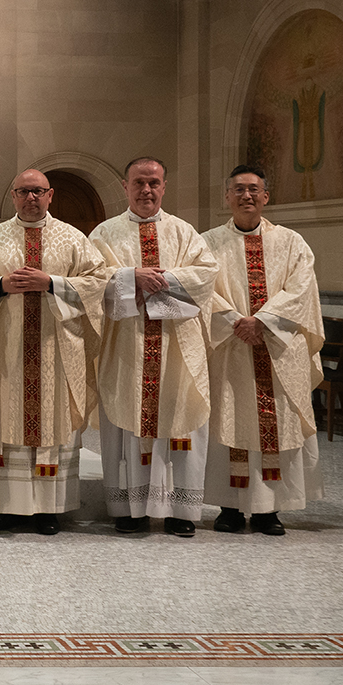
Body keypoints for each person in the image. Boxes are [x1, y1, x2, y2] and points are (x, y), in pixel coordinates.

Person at [0, 169, 110, 535]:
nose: (31, 198)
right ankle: (9, 507)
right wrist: (1, 285)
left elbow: (98, 283)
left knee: (53, 420)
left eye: (38, 191)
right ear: (13, 196)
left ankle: (49, 509)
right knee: (7, 420)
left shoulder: (74, 239)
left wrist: (51, 283)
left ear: (50, 195)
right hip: (8, 353)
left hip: (56, 353)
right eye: (23, 191)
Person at [89, 157, 219, 536]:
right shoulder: (104, 234)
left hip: (177, 351)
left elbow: (206, 276)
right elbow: (91, 280)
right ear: (125, 187)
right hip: (126, 348)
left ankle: (180, 511)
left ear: (164, 187)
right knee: (125, 424)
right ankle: (130, 511)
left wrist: (161, 281)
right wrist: (131, 276)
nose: (146, 190)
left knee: (181, 421)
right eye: (139, 182)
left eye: (154, 183)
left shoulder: (185, 233)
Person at [203, 165, 324, 535]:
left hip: (278, 351)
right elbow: (201, 288)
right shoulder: (206, 243)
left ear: (266, 197)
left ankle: (269, 510)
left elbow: (302, 290)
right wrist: (235, 321)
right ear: (227, 196)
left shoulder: (291, 243)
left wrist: (263, 322)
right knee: (229, 419)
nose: (247, 196)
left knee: (278, 423)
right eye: (239, 189)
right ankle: (229, 507)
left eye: (254, 189)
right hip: (230, 349)